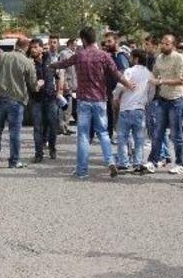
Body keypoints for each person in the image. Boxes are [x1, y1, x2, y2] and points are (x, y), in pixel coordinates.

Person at [50, 27, 136, 179]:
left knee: (83, 135)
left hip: (83, 100)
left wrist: (51, 65)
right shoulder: (103, 55)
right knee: (103, 132)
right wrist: (128, 84)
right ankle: (110, 161)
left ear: (83, 39)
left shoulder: (79, 55)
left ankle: (82, 171)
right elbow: (116, 74)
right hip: (100, 100)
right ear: (95, 38)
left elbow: (63, 64)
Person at [0, 37, 37, 169]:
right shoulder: (27, 62)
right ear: (26, 47)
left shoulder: (2, 57)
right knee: (14, 132)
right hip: (16, 100)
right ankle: (14, 161)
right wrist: (39, 85)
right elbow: (33, 85)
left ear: (15, 45)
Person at [145, 35, 183, 175]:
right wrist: (151, 79)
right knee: (157, 132)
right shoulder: (159, 58)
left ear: (173, 46)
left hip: (176, 100)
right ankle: (153, 161)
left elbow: (181, 80)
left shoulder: (179, 58)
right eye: (162, 43)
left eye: (167, 44)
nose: (163, 46)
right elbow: (154, 74)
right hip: (162, 99)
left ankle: (180, 163)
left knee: (176, 134)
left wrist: (161, 81)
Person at [113, 49, 155, 172]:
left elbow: (120, 85)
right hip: (140, 109)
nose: (129, 59)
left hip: (126, 108)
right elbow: (151, 92)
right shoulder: (149, 74)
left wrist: (115, 97)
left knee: (122, 137)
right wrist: (146, 100)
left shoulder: (129, 71)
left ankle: (123, 162)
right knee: (139, 138)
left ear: (136, 58)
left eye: (131, 57)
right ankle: (137, 162)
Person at [28, 38, 60, 162]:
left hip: (51, 98)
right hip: (36, 99)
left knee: (53, 125)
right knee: (37, 127)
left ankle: (52, 148)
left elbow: (58, 76)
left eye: (36, 47)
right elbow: (26, 82)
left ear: (41, 48)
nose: (33, 49)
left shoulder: (50, 60)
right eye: (32, 47)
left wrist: (59, 91)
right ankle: (38, 154)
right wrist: (35, 84)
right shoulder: (29, 64)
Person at [103, 31, 131, 141]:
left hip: (119, 95)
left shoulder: (120, 57)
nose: (107, 44)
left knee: (120, 124)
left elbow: (125, 76)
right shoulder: (110, 56)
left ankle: (126, 151)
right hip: (110, 93)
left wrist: (118, 95)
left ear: (116, 42)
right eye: (106, 42)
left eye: (110, 41)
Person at [58, 38, 78, 135]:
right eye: (74, 44)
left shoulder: (75, 54)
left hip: (73, 84)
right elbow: (62, 68)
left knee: (70, 107)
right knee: (66, 106)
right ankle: (62, 127)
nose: (76, 46)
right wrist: (64, 82)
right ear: (70, 44)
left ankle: (66, 126)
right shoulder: (64, 53)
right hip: (67, 83)